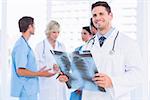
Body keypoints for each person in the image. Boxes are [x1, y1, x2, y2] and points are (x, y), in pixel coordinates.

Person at [81, 1, 143, 100]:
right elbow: (83, 73)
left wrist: (112, 81)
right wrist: (69, 78)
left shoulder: (128, 43)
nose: (97, 18)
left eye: (101, 14)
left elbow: (138, 75)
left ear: (110, 16)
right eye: (94, 15)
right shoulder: (87, 45)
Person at [11, 16, 55, 100]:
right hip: (26, 90)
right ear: (29, 27)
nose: (35, 28)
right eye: (34, 25)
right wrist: (40, 74)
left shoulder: (24, 44)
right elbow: (20, 71)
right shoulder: (21, 46)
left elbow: (25, 67)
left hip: (30, 89)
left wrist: (38, 72)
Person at [35, 20, 68, 100]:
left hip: (60, 83)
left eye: (58, 32)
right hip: (47, 83)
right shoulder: (40, 46)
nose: (56, 35)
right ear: (48, 31)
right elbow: (37, 65)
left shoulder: (61, 46)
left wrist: (61, 66)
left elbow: (66, 63)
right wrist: (51, 66)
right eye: (54, 32)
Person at [70, 26, 93, 100]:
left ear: (91, 35)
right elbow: (74, 68)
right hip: (77, 84)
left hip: (88, 85)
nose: (82, 36)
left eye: (85, 33)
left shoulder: (93, 50)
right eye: (81, 33)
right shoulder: (77, 49)